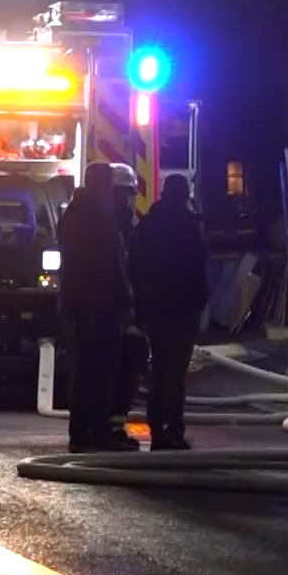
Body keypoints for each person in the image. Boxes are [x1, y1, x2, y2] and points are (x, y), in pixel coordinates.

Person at [128, 173, 210, 450]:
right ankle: (173, 429)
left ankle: (157, 429)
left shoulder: (147, 225)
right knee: (176, 372)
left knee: (159, 369)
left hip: (155, 310)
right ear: (184, 194)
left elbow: (134, 267)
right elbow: (199, 265)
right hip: (184, 310)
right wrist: (200, 302)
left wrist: (139, 309)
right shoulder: (190, 225)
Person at [59, 162, 134, 452]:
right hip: (101, 306)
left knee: (84, 369)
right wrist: (127, 302)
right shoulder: (100, 218)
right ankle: (98, 433)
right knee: (101, 371)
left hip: (79, 304)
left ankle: (80, 433)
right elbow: (113, 264)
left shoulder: (72, 215)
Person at [108, 162, 148, 448]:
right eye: (123, 194)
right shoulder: (114, 227)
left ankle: (110, 426)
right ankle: (110, 427)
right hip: (119, 310)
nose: (127, 201)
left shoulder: (111, 225)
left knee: (123, 369)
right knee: (119, 371)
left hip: (118, 310)